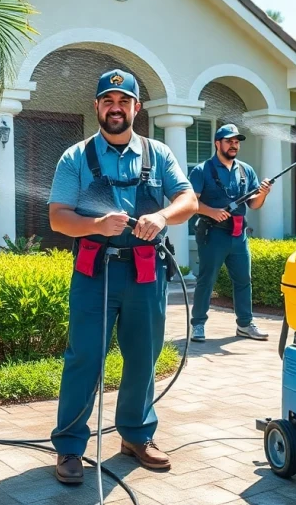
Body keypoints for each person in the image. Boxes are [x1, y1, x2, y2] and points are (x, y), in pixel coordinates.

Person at [46, 68, 198, 485]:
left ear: (136, 107)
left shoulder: (158, 155)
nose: (116, 109)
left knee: (144, 358)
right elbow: (58, 219)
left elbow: (189, 199)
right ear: (97, 107)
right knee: (84, 359)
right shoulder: (76, 157)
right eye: (108, 101)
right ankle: (71, 447)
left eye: (124, 101)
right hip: (95, 273)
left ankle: (135, 435)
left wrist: (162, 215)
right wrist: (96, 225)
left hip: (146, 275)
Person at [188, 124, 272, 343]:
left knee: (244, 280)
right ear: (218, 143)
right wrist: (212, 211)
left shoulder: (246, 170)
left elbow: (254, 204)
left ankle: (245, 325)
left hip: (238, 234)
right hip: (212, 234)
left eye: (236, 142)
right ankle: (198, 325)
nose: (234, 145)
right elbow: (190, 202)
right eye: (229, 141)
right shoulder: (202, 170)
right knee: (206, 280)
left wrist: (263, 194)